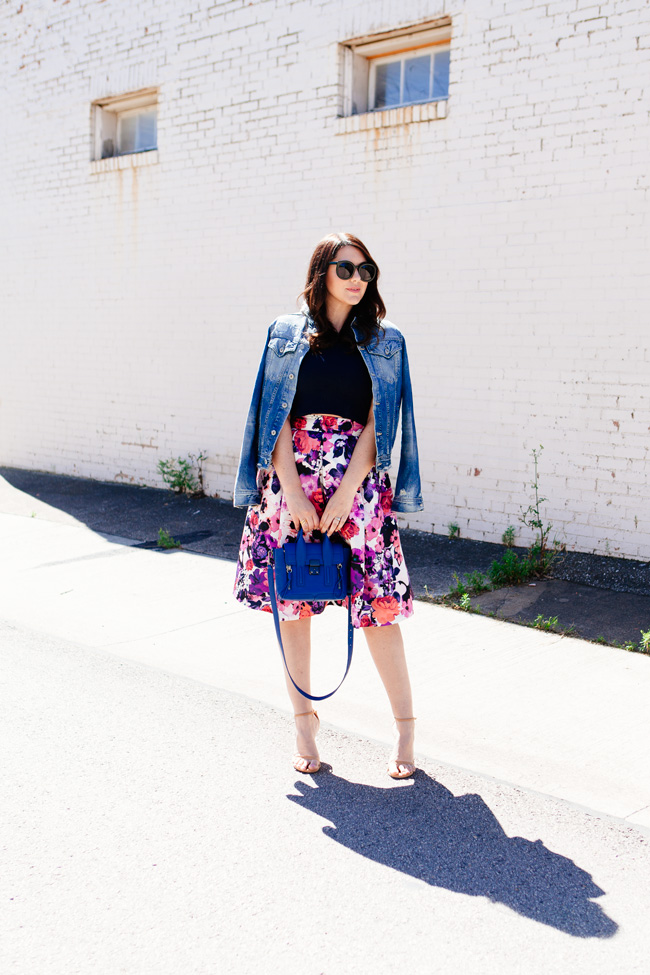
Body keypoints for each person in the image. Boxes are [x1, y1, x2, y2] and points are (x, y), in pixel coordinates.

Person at [233, 232, 424, 778]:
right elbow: (274, 416)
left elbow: (378, 424)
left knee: (379, 606)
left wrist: (346, 491)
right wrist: (292, 490)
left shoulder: (388, 343)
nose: (358, 280)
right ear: (322, 273)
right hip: (290, 482)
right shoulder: (284, 334)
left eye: (367, 271)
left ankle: (406, 727)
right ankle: (303, 724)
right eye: (346, 269)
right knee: (293, 601)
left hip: (356, 488)